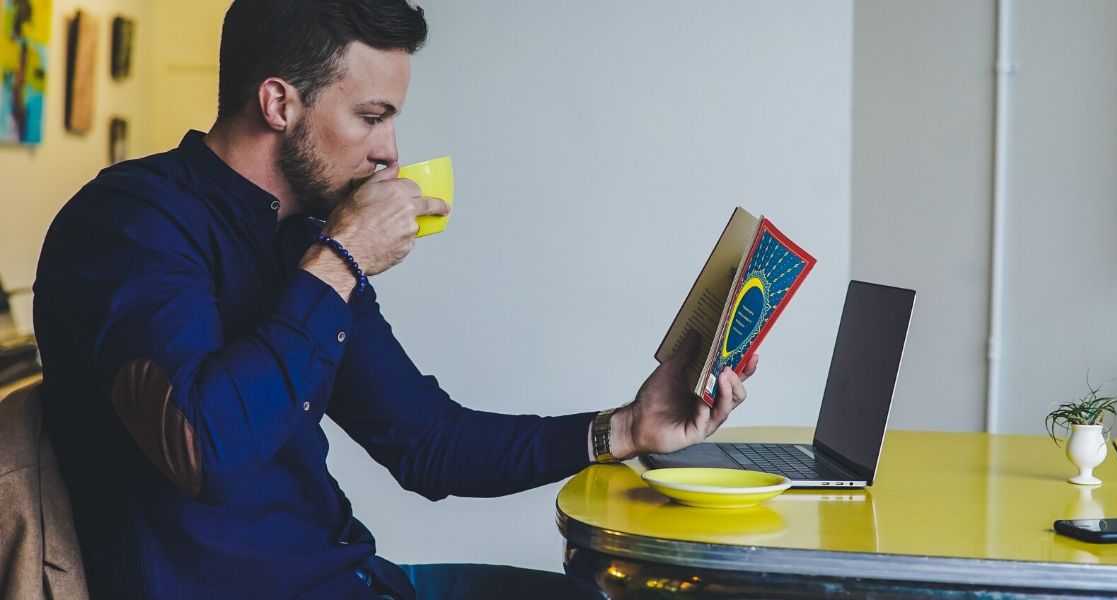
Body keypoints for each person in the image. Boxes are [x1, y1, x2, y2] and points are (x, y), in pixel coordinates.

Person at [32, 1, 757, 598]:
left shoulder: (301, 241)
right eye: (372, 117)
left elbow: (430, 444)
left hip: (353, 579)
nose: (389, 152)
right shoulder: (130, 224)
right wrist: (342, 259)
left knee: (597, 592)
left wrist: (627, 428)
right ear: (279, 102)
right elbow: (205, 450)